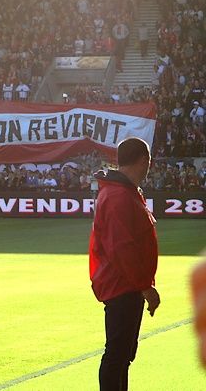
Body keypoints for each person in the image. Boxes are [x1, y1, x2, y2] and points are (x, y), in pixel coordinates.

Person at [88, 137, 161, 390]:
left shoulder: (123, 191)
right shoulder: (119, 195)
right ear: (143, 161)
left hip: (127, 284)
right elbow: (122, 249)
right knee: (117, 355)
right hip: (123, 285)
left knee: (123, 355)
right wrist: (145, 286)